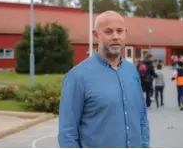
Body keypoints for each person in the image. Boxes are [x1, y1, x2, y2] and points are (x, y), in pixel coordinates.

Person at [58, 11, 150, 148]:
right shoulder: (77, 77)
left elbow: (141, 117)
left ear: (125, 33)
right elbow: (67, 133)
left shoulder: (132, 72)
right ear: (96, 35)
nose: (115, 37)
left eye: (120, 31)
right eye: (108, 32)